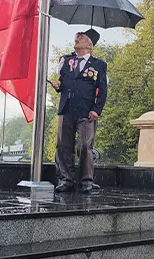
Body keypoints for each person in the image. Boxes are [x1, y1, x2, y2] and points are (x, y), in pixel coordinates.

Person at [50, 29, 108, 194]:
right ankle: (66, 179)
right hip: (66, 109)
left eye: (81, 37)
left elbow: (103, 90)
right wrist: (58, 86)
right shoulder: (67, 62)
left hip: (86, 111)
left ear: (89, 45)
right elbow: (63, 84)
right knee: (63, 146)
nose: (77, 38)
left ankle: (86, 181)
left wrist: (97, 110)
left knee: (84, 145)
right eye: (76, 37)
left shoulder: (99, 65)